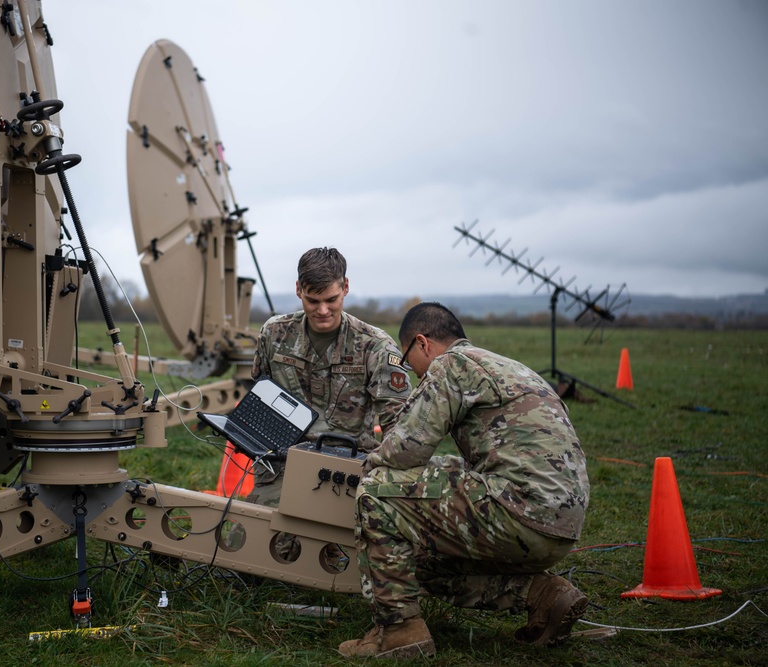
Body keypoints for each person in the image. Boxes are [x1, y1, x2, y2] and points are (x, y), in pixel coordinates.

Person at [338, 301, 590, 659]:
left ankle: (398, 632)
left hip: (517, 511)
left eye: (414, 366)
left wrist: (366, 467)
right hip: (561, 526)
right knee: (422, 565)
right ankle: (542, 594)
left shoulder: (451, 365)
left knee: (376, 490)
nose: (419, 377)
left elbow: (408, 448)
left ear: (422, 343)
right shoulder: (511, 367)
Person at [244, 247, 411, 515]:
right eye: (312, 301)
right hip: (283, 463)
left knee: (331, 546)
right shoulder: (274, 334)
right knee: (255, 541)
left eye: (331, 299)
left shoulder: (375, 346)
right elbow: (259, 395)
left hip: (348, 467)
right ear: (299, 290)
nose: (322, 310)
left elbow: (399, 425)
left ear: (345, 287)